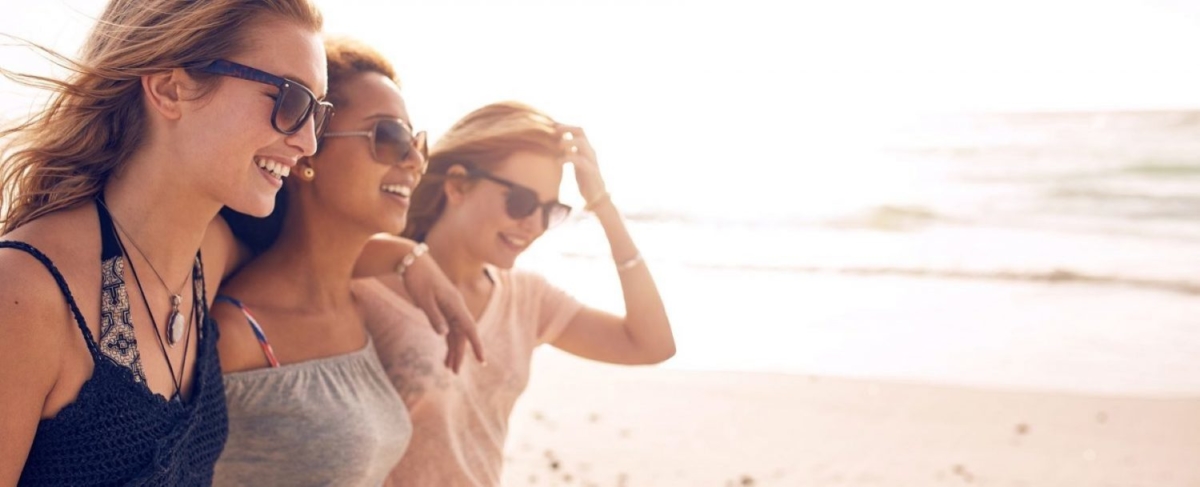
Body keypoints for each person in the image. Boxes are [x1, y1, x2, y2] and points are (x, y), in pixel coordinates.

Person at [0, 2, 473, 484]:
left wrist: (408, 256)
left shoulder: (206, 253)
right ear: (170, 87)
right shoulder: (27, 293)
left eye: (318, 112)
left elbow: (303, 265)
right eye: (290, 100)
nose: (309, 141)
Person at [354, 101, 676, 486]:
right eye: (520, 202)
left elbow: (651, 344)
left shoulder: (527, 298)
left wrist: (601, 203)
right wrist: (398, 254)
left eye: (550, 210)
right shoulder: (367, 291)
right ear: (456, 185)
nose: (534, 224)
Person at [211, 37, 482, 486]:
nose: (415, 161)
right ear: (303, 153)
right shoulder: (236, 335)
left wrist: (410, 256)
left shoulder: (361, 304)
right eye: (389, 137)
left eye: (416, 142)